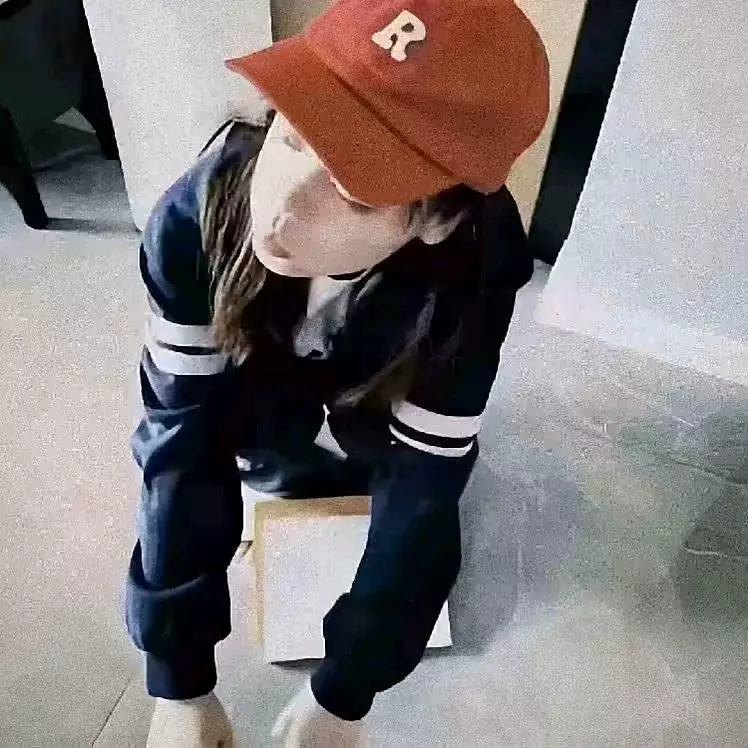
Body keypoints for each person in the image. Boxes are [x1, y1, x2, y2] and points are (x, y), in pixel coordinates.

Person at [126, 0, 549, 744]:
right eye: (292, 136)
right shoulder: (195, 220)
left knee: (397, 475)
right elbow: (179, 441)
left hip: (387, 353)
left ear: (436, 220)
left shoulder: (475, 275)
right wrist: (178, 680)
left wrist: (345, 690)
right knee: (249, 435)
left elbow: (423, 484)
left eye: (354, 191)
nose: (281, 208)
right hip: (263, 369)